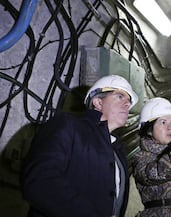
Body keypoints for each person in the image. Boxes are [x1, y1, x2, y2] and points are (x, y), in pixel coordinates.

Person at [22, 75, 138, 217]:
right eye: (120, 97)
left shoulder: (117, 151)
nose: (127, 104)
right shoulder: (67, 126)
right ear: (98, 102)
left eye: (129, 101)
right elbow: (40, 182)